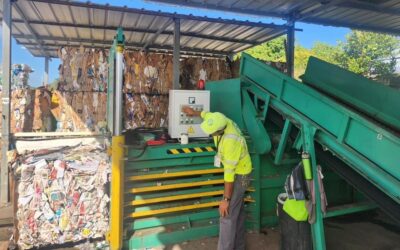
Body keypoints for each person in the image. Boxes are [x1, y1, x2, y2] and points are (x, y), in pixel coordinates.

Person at [183, 107, 252, 250]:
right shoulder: (220, 118)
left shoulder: (230, 142)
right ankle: (239, 246)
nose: (209, 135)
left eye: (211, 133)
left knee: (226, 215)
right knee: (236, 213)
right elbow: (206, 114)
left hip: (240, 175)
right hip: (240, 172)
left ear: (219, 131)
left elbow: (229, 176)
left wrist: (225, 200)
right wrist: (194, 112)